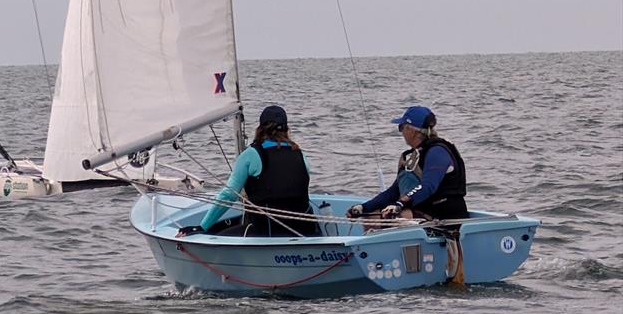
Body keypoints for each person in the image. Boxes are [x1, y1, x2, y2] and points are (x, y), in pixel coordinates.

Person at [177, 104, 319, 238]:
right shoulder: (300, 154)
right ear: (287, 129)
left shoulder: (251, 154)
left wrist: (202, 227)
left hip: (267, 233)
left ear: (260, 129)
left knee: (216, 234)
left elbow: (228, 195)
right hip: (305, 231)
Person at [348, 105, 467, 223]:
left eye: (401, 127)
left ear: (411, 130)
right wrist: (363, 207)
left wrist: (401, 203)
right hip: (424, 211)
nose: (401, 132)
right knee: (371, 216)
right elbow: (394, 192)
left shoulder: (437, 152)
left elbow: (428, 186)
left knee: (402, 216)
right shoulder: (412, 156)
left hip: (445, 215)